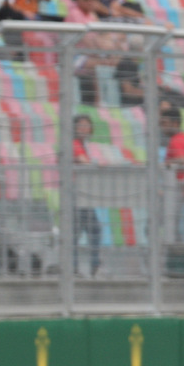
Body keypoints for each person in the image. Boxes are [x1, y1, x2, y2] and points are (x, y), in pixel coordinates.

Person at [72, 114, 103, 276]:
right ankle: (91, 264)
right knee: (90, 230)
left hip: (82, 193)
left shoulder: (84, 145)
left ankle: (80, 266)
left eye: (87, 125)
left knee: (81, 231)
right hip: (76, 193)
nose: (84, 129)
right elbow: (83, 161)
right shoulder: (75, 144)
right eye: (80, 125)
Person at [161, 105, 184, 241]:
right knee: (175, 226)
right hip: (183, 191)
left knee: (157, 225)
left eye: (164, 123)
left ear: (175, 123)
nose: (162, 127)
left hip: (175, 190)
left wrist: (166, 164)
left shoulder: (175, 141)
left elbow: (182, 160)